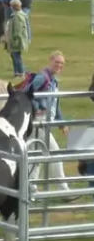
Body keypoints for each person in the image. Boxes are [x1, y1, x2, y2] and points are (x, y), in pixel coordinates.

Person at [25, 51, 73, 194]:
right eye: (57, 62)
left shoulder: (53, 80)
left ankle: (30, 188)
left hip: (44, 123)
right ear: (50, 61)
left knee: (35, 156)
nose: (59, 65)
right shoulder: (42, 77)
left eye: (62, 63)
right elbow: (26, 93)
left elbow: (55, 104)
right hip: (39, 122)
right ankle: (64, 191)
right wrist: (38, 108)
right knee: (55, 154)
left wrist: (61, 123)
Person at [4, 0, 29, 76]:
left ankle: (21, 72)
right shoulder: (17, 15)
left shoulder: (17, 16)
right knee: (14, 56)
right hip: (16, 40)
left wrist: (13, 40)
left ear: (13, 7)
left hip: (17, 41)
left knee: (16, 57)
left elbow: (17, 30)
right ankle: (17, 72)